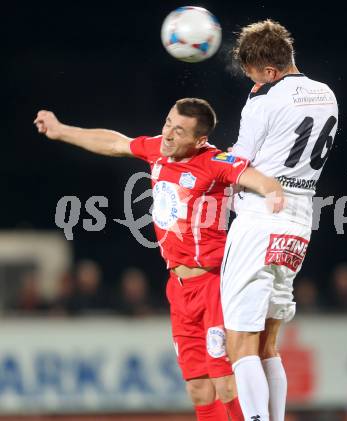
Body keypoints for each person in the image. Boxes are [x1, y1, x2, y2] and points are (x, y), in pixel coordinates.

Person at [34, 98, 284, 421]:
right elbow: (116, 143)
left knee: (225, 384)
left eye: (178, 131)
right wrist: (61, 130)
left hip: (214, 287)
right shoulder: (158, 151)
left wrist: (272, 190)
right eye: (168, 123)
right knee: (198, 389)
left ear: (199, 140)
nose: (167, 134)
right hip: (179, 289)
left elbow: (252, 176)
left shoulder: (213, 161)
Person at [220, 20, 339, 420]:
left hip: (259, 216)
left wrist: (211, 159)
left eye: (253, 75)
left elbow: (240, 161)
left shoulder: (263, 101)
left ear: (269, 71)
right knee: (269, 343)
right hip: (300, 217)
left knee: (240, 342)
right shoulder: (326, 93)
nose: (251, 83)